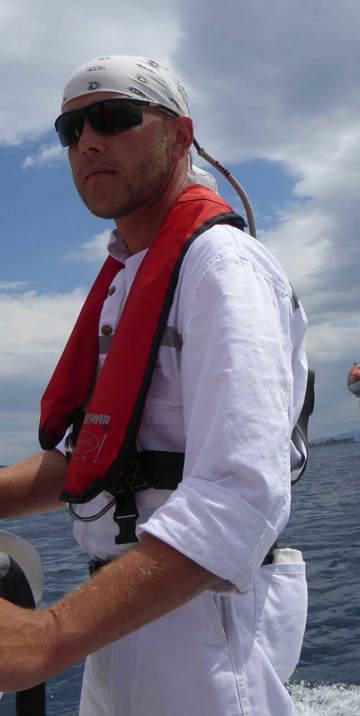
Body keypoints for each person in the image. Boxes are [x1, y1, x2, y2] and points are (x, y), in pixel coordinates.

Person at [0, 56, 309, 715]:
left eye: (112, 118)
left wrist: (48, 637)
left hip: (198, 625)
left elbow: (242, 495)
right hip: (122, 615)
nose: (87, 141)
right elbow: (92, 462)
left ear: (180, 135)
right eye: (70, 128)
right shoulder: (129, 281)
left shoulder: (221, 267)